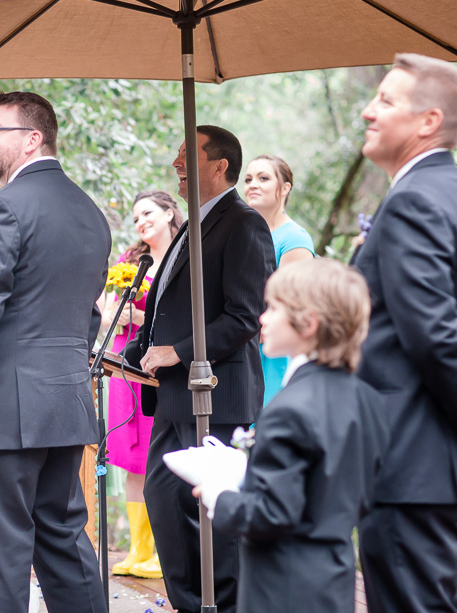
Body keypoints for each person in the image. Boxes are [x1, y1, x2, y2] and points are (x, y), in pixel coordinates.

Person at [0, 91, 111, 613]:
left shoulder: (1, 208)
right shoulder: (90, 212)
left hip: (5, 416)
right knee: (64, 540)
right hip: (67, 404)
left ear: (32, 138)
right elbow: (89, 315)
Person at [123, 125, 275, 613]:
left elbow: (244, 317)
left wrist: (179, 352)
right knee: (164, 501)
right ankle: (190, 605)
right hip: (174, 396)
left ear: (219, 166)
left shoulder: (243, 223)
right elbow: (173, 307)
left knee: (215, 518)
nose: (176, 165)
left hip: (217, 394)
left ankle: (227, 607)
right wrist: (135, 354)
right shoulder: (192, 223)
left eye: (188, 155)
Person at [192, 258, 389, 613]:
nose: (261, 318)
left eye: (273, 308)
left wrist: (218, 496)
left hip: (282, 588)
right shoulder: (367, 399)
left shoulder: (290, 409)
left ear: (308, 323)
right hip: (334, 577)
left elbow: (272, 512)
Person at [351, 53, 457, 613]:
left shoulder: (414, 200)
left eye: (386, 100)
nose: (369, 111)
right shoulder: (447, 190)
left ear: (427, 122)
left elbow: (436, 338)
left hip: (410, 470)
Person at [102, 189, 182, 579]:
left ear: (170, 213)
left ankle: (163, 551)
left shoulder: (183, 258)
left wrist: (140, 315)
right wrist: (122, 316)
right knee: (131, 456)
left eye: (147, 213)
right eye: (135, 218)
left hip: (161, 370)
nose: (140, 222)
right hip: (124, 366)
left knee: (157, 455)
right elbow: (105, 314)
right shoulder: (129, 262)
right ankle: (138, 549)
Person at [243, 155, 315, 405]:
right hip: (243, 353)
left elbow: (291, 308)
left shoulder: (295, 239)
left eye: (263, 178)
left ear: (285, 188)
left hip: (272, 355)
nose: (253, 184)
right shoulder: (246, 237)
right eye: (248, 179)